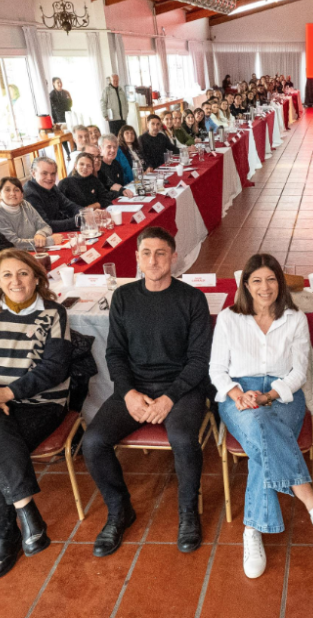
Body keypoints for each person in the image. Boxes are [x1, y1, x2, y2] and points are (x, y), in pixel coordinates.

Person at [210, 254, 313, 578]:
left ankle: (252, 530)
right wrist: (238, 394)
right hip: (238, 395)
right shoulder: (229, 319)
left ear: (280, 283)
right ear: (246, 285)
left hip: (284, 396)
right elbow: (217, 369)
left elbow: (300, 371)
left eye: (271, 279)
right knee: (259, 423)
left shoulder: (295, 318)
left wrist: (270, 394)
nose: (264, 286)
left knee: (264, 435)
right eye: (256, 280)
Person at [82, 228, 212, 556]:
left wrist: (170, 397)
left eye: (160, 253)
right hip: (135, 388)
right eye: (146, 253)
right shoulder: (124, 297)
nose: (152, 260)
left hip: (182, 388)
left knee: (184, 439)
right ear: (137, 258)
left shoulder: (192, 299)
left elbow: (199, 360)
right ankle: (119, 509)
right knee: (93, 442)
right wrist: (127, 393)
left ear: (173, 256)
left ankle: (188, 513)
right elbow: (115, 354)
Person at [0, 248, 72, 580]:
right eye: (7, 275)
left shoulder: (53, 313)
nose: (16, 281)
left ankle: (2, 537)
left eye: (23, 273)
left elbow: (56, 367)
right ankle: (25, 515)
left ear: (38, 277)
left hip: (41, 404)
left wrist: (7, 392)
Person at [0, 177, 58, 251]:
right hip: (11, 257)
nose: (12, 193)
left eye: (16, 190)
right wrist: (48, 241)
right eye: (7, 190)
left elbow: (45, 226)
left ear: (22, 195)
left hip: (34, 251)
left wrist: (40, 234)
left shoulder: (25, 205)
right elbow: (13, 244)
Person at [23, 157, 82, 233]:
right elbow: (46, 225)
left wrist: (86, 213)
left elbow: (69, 206)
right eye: (44, 173)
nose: (49, 178)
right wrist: (78, 220)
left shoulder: (52, 187)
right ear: (33, 173)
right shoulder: (30, 195)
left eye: (53, 174)